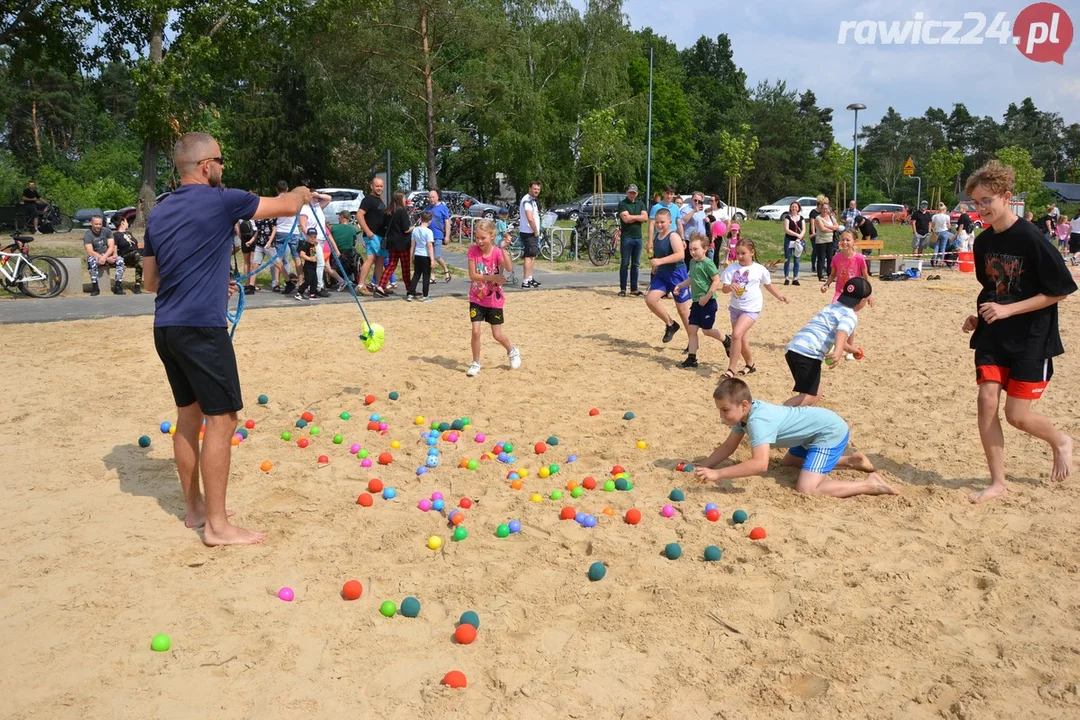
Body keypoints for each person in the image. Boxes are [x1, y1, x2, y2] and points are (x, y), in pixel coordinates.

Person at [142, 131, 311, 545]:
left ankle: (195, 509)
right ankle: (217, 526)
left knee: (188, 415)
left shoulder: (158, 213)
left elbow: (150, 282)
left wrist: (210, 282)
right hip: (202, 329)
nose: (223, 167)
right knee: (222, 420)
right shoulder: (223, 200)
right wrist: (305, 191)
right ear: (205, 166)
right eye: (220, 160)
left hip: (167, 327)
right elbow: (288, 205)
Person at [961, 159, 1076, 503]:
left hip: (1031, 338)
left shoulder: (1032, 238)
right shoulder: (982, 243)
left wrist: (1008, 309)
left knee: (1017, 416)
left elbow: (1060, 289)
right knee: (986, 400)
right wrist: (979, 316)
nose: (981, 209)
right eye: (976, 203)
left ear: (1006, 197)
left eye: (986, 201)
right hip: (994, 336)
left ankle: (1060, 441)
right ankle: (998, 482)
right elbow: (995, 289)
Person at [694, 377, 897, 497]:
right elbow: (728, 446)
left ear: (744, 405)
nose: (722, 416)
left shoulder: (758, 422)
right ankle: (851, 461)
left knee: (806, 488)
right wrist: (705, 465)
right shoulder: (744, 416)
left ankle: (870, 484)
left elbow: (760, 464)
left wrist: (718, 475)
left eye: (725, 410)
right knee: (789, 461)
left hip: (828, 433)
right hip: (809, 434)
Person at [784, 277, 872, 407]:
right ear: (863, 301)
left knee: (816, 392)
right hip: (808, 353)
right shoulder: (850, 315)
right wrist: (837, 352)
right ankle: (776, 417)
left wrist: (854, 350)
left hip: (795, 348)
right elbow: (841, 333)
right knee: (808, 396)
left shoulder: (833, 307)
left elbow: (840, 341)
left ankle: (795, 420)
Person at [720, 237, 788, 378]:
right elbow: (724, 289)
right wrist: (730, 287)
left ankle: (731, 369)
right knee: (742, 340)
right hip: (735, 308)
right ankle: (750, 364)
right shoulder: (732, 268)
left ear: (752, 252)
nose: (739, 256)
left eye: (743, 253)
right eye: (737, 253)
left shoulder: (759, 269)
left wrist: (780, 296)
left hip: (751, 309)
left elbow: (768, 285)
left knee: (736, 335)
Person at [466, 219, 521, 376]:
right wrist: (492, 277)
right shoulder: (472, 251)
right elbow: (473, 275)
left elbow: (509, 268)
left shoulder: (496, 252)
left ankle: (512, 351)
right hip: (476, 297)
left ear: (491, 236)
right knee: (476, 331)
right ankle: (476, 362)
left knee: (497, 334)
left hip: (494, 300)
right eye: (477, 237)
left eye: (483, 238)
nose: (479, 241)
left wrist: (503, 248)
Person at [674, 234, 731, 368]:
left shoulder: (708, 263)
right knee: (692, 329)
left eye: (695, 249)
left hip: (708, 303)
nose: (692, 252)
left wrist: (707, 296)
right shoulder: (693, 263)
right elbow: (692, 278)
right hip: (696, 302)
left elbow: (716, 280)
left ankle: (727, 340)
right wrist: (681, 285)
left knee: (706, 330)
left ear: (705, 249)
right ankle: (692, 358)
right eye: (690, 250)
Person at [645, 208, 692, 344]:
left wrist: (660, 261)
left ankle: (692, 341)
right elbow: (659, 256)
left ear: (670, 222)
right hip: (662, 274)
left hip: (677, 274)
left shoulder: (673, 236)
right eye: (657, 222)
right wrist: (656, 265)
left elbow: (680, 255)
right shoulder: (657, 236)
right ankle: (670, 324)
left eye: (662, 222)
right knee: (651, 299)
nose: (659, 225)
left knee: (683, 310)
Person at [823, 230, 873, 323]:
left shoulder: (859, 258)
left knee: (848, 319)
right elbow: (833, 274)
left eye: (848, 240)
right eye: (842, 240)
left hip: (853, 294)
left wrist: (869, 294)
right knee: (834, 313)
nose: (844, 242)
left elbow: (866, 277)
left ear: (854, 241)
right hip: (839, 292)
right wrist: (827, 284)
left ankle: (849, 337)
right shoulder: (836, 258)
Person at [375, 191, 412, 297]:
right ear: (400, 200)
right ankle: (409, 288)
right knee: (405, 266)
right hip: (403, 243)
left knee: (391, 264)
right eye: (404, 198)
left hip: (391, 242)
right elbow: (405, 229)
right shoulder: (402, 212)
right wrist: (414, 228)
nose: (405, 200)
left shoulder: (388, 211)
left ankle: (381, 286)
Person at [357, 176, 386, 295]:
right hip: (372, 235)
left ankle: (379, 286)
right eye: (377, 186)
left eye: (381, 186)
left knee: (380, 260)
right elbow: (359, 215)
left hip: (381, 235)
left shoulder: (380, 200)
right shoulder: (368, 199)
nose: (379, 188)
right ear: (372, 186)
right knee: (370, 258)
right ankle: (360, 285)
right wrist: (368, 231)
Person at [617, 183, 647, 297]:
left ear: (637, 193)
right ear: (626, 192)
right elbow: (626, 219)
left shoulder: (640, 203)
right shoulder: (622, 204)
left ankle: (634, 288)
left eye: (634, 192)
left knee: (636, 264)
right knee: (625, 263)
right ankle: (623, 288)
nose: (632, 194)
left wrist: (632, 217)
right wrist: (638, 217)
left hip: (638, 237)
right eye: (630, 192)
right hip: (627, 237)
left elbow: (645, 217)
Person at [84, 214, 125, 296]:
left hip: (107, 254)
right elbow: (90, 251)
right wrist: (104, 258)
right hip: (97, 256)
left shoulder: (107, 231)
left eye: (100, 224)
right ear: (91, 223)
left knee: (120, 260)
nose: (98, 226)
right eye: (96, 224)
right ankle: (95, 287)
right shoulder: (88, 234)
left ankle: (118, 285)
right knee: (91, 261)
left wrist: (107, 257)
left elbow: (111, 246)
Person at [272, 180, 303, 283]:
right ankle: (301, 281)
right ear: (287, 189)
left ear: (277, 190)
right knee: (297, 257)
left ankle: (276, 282)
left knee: (278, 258)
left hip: (281, 230)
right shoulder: (293, 200)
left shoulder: (275, 201)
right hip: (293, 232)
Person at [517, 181, 543, 289]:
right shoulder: (527, 201)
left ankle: (530, 278)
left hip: (531, 232)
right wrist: (535, 230)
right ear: (529, 188)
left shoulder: (532, 201)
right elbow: (530, 217)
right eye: (534, 189)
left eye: (538, 189)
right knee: (528, 256)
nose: (536, 191)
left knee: (532, 255)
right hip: (529, 232)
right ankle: (525, 281)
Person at [407, 210, 435, 302]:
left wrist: (411, 257)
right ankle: (425, 295)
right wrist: (432, 259)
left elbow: (412, 245)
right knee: (426, 276)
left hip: (417, 254)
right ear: (429, 221)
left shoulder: (415, 230)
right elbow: (429, 246)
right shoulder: (429, 232)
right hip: (425, 255)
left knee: (416, 274)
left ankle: (410, 293)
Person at [112, 214, 143, 294]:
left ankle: (137, 285)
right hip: (126, 255)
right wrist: (114, 255)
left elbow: (135, 244)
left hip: (137, 254)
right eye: (126, 221)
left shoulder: (129, 233)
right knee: (139, 255)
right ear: (122, 223)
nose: (127, 223)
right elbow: (114, 249)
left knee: (141, 257)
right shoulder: (115, 235)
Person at [427, 189, 452, 283]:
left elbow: (447, 222)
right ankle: (432, 276)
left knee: (436, 256)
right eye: (430, 197)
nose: (431, 199)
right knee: (430, 257)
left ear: (437, 197)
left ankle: (446, 270)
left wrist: (447, 236)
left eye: (433, 197)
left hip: (438, 236)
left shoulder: (442, 208)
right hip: (428, 237)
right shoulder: (427, 208)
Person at [813, 201, 839, 282]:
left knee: (830, 258)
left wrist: (828, 226)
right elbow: (822, 229)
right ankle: (820, 275)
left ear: (829, 209)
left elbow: (837, 226)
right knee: (821, 258)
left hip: (830, 240)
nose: (825, 210)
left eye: (826, 208)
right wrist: (832, 229)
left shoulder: (831, 217)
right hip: (821, 240)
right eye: (823, 208)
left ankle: (830, 274)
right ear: (821, 209)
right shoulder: (818, 218)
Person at [782, 201, 805, 286]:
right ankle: (786, 278)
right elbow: (787, 229)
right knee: (787, 259)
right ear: (790, 208)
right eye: (793, 206)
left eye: (796, 207)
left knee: (797, 260)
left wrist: (800, 237)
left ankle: (795, 278)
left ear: (798, 208)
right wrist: (796, 235)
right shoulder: (787, 218)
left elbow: (803, 229)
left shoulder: (801, 218)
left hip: (798, 241)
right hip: (789, 240)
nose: (794, 208)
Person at [294, 227, 320, 300]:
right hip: (308, 266)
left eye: (314, 237)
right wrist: (309, 259)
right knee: (308, 280)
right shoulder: (306, 245)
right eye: (311, 237)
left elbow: (313, 253)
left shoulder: (312, 245)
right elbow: (302, 254)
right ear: (307, 236)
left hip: (313, 265)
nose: (312, 239)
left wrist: (316, 245)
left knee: (314, 280)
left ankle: (312, 293)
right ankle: (299, 292)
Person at [931, 203, 953, 267]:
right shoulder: (947, 216)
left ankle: (934, 260)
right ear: (944, 210)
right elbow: (949, 226)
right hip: (944, 232)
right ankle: (941, 261)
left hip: (937, 232)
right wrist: (948, 227)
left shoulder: (934, 216)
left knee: (936, 247)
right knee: (943, 248)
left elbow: (933, 225)